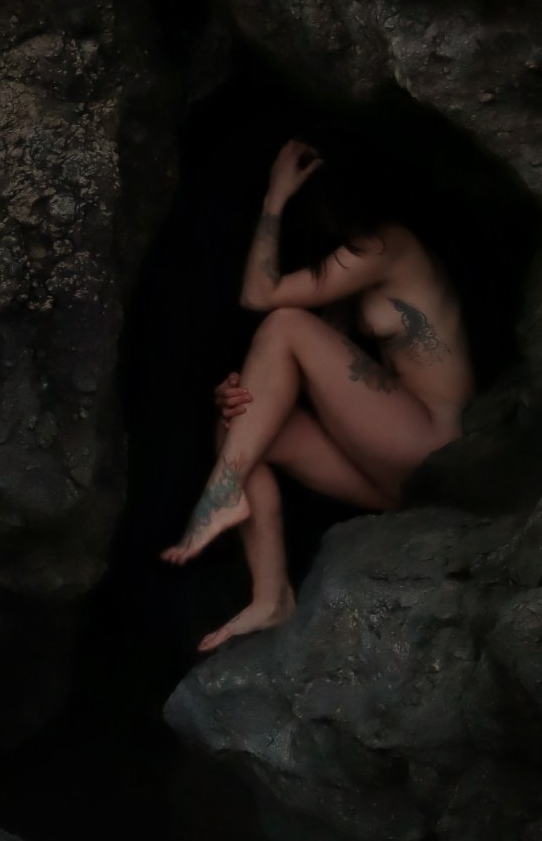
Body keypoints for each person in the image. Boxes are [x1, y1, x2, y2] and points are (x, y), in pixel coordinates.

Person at [161, 137, 474, 651]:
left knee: (284, 323)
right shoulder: (350, 286)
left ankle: (222, 492)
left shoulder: (390, 244)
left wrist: (275, 197)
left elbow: (260, 296)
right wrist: (238, 396)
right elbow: (308, 383)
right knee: (239, 428)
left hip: (434, 447)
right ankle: (270, 596)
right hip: (393, 475)